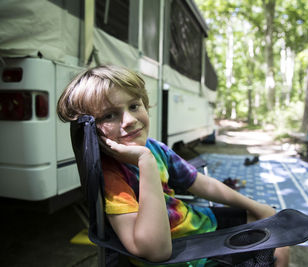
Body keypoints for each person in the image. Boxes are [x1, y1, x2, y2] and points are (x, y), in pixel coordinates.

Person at [57, 65, 289, 266]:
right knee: (274, 245)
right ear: (91, 130)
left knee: (275, 228)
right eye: (109, 116)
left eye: (134, 106)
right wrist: (144, 162)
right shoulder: (112, 177)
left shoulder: (155, 148)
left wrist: (257, 206)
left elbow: (200, 183)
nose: (129, 120)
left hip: (198, 225)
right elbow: (156, 251)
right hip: (186, 254)